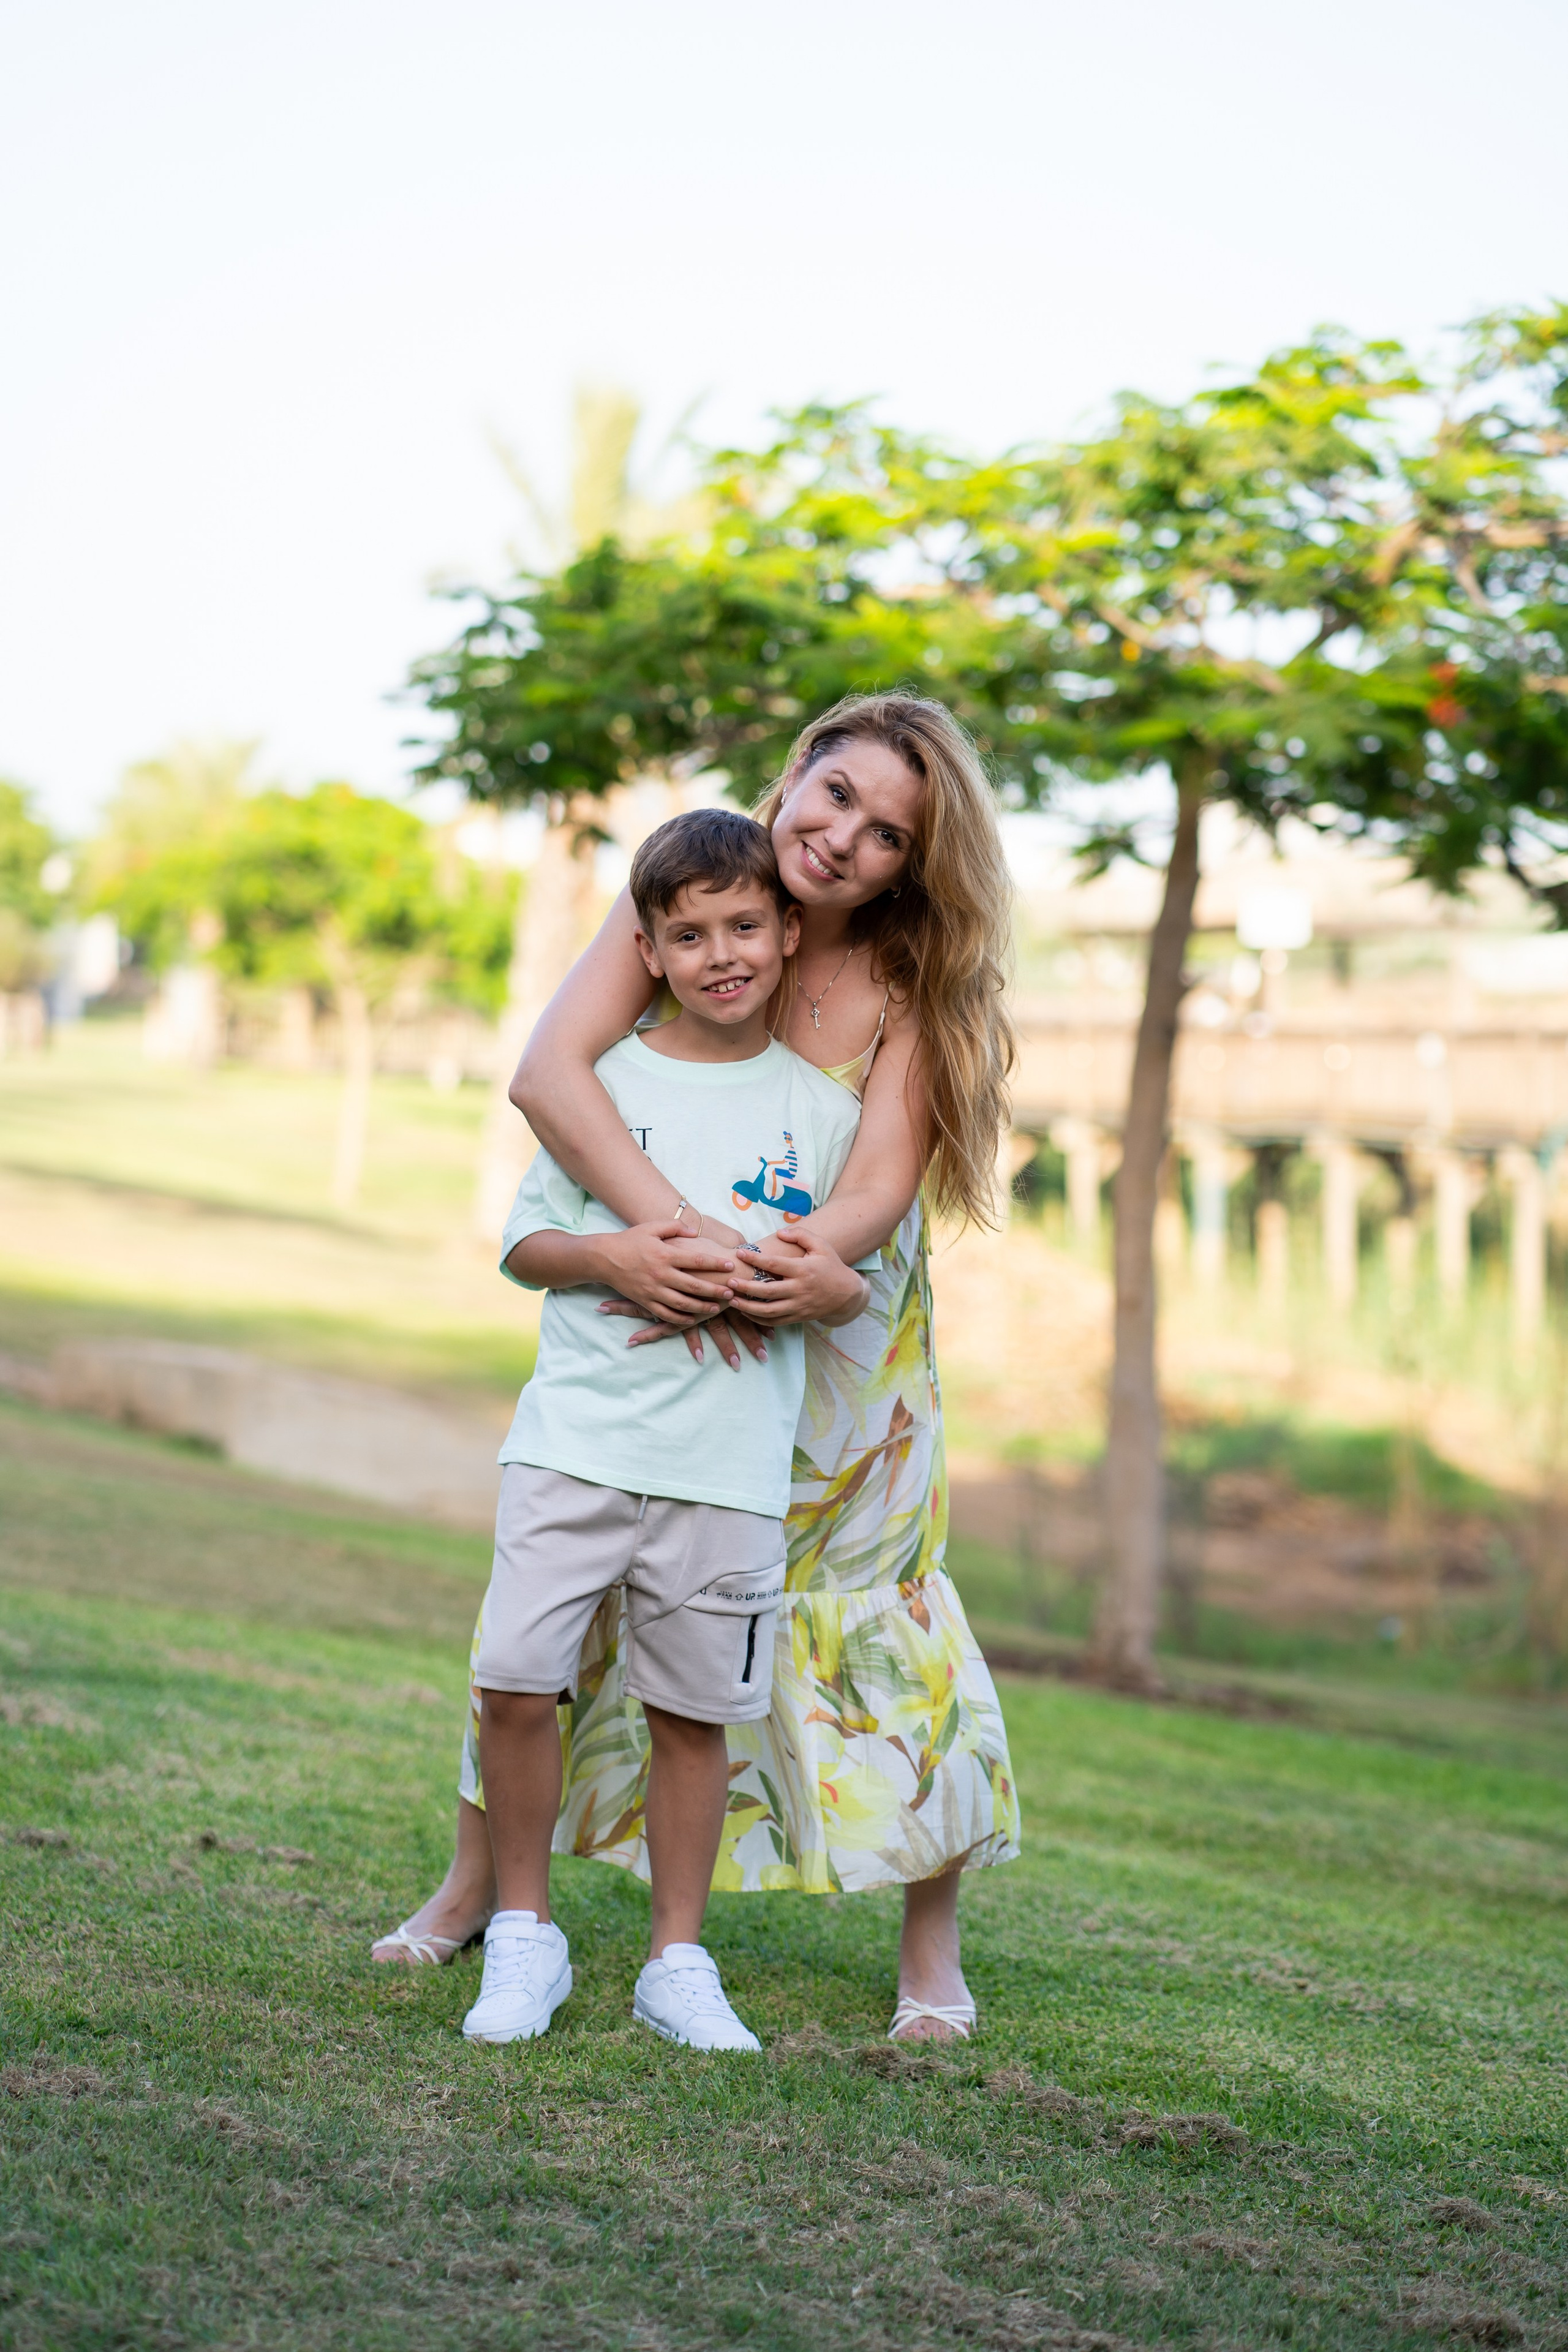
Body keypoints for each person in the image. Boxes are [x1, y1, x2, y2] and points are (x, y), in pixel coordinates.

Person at [374, 691, 1020, 2044]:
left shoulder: (908, 981)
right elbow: (554, 1075)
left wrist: (801, 1264)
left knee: (870, 1606)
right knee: (569, 1603)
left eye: (887, 834)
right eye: (833, 794)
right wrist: (662, 1240)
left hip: (832, 1326)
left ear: (914, 864)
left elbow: (884, 1181)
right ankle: (474, 1890)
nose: (842, 838)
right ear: (792, 778)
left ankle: (929, 1941)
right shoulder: (691, 888)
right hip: (672, 1298)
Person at [460, 806, 872, 2048]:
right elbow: (528, 1245)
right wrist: (618, 1256)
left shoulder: (818, 1112)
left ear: (787, 932)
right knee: (514, 1678)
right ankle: (523, 1935)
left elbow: (852, 1282)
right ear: (643, 947)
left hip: (725, 1469)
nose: (720, 954)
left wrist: (804, 1285)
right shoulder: (601, 1087)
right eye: (686, 935)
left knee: (695, 1718)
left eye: (743, 925)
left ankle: (674, 1963)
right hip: (576, 1443)